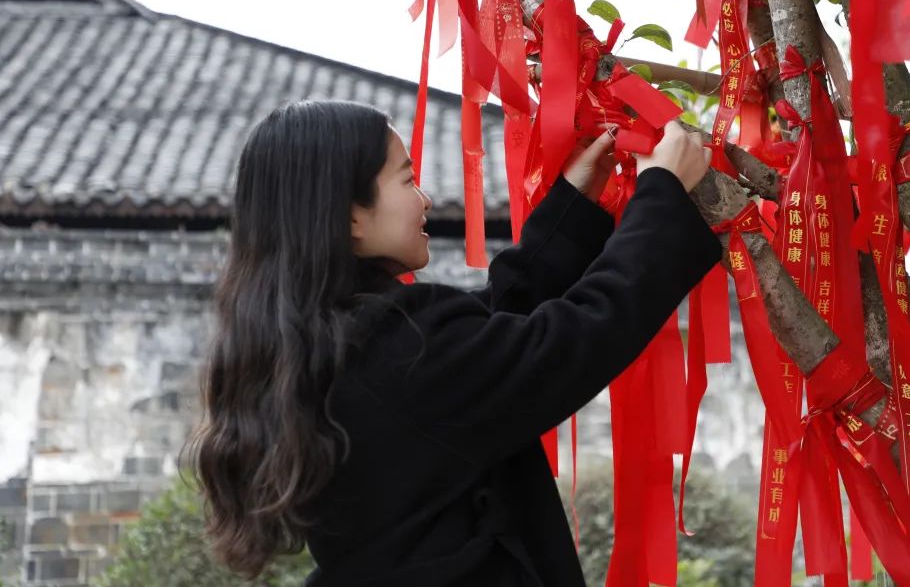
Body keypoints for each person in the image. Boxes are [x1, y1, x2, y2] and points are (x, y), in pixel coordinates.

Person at [189, 99, 723, 586]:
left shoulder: (326, 344)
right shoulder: (393, 349)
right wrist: (662, 195)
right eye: (406, 179)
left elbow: (485, 339)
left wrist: (574, 206)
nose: (424, 198)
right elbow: (571, 341)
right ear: (351, 214)